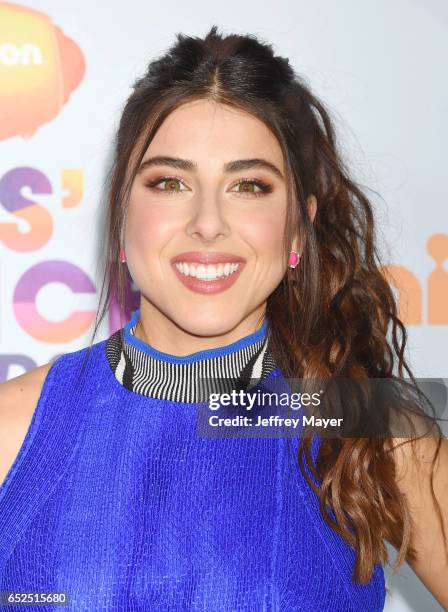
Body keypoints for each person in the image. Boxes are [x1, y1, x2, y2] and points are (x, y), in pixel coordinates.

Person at [0, 26, 447, 611]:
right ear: (123, 213)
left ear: (297, 226)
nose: (207, 223)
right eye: (170, 182)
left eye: (248, 186)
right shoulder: (14, 427)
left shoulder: (368, 429)